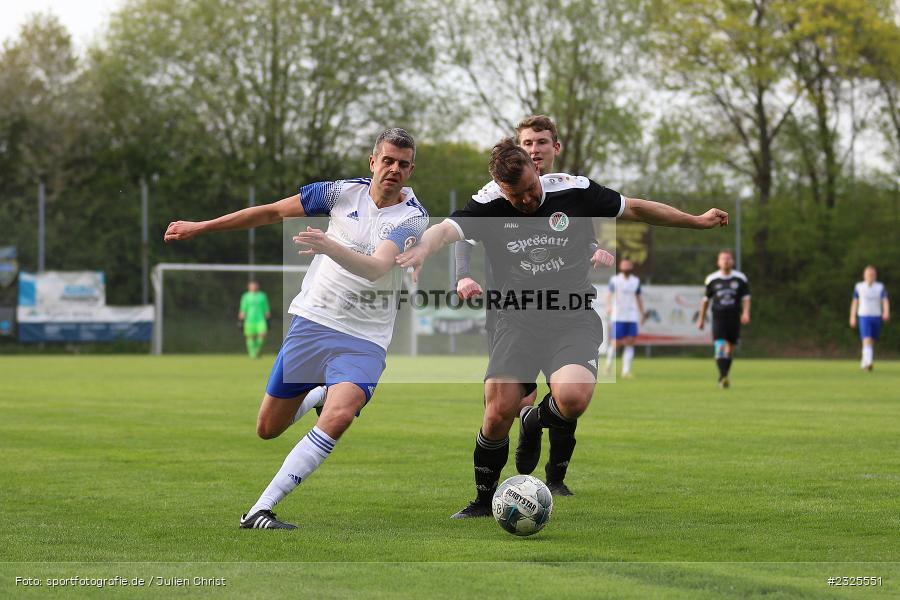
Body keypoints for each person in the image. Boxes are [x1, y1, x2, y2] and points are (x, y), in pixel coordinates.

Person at [397, 138, 727, 518]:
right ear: (502, 189)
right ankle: (483, 501)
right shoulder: (487, 204)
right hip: (516, 321)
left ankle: (535, 419)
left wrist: (695, 220)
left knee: (572, 398)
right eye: (515, 196)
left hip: (570, 318)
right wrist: (423, 248)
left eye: (530, 190)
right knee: (497, 411)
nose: (526, 201)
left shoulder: (572, 189)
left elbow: (634, 207)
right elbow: (447, 230)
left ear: (538, 171)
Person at [164, 128, 428, 529]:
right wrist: (202, 226)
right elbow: (272, 211)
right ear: (372, 161)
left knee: (340, 415)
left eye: (403, 164)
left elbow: (377, 269)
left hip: (364, 338)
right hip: (313, 321)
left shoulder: (413, 216)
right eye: (387, 160)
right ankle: (321, 391)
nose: (394, 169)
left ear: (410, 171)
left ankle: (260, 509)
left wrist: (330, 246)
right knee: (268, 429)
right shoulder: (339, 193)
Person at [454, 115, 612, 497]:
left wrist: (595, 251)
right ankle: (490, 492)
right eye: (527, 143)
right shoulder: (494, 196)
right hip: (511, 313)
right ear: (517, 150)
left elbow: (585, 239)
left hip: (567, 311)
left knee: (567, 394)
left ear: (555, 148)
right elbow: (462, 235)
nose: (534, 150)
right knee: (510, 402)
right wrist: (462, 275)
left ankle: (555, 477)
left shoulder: (571, 195)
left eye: (541, 142)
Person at [697, 250, 750, 388]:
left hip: (734, 317)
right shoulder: (712, 279)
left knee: (729, 348)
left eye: (728, 258)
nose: (726, 261)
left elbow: (746, 298)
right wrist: (701, 319)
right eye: (723, 259)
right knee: (719, 345)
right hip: (718, 317)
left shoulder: (740, 278)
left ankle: (724, 374)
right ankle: (723, 376)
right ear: (718, 262)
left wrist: (745, 313)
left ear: (732, 261)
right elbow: (705, 300)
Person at [604, 258, 645, 378]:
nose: (626, 266)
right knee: (615, 343)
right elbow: (608, 295)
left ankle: (625, 371)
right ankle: (608, 365)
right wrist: (608, 306)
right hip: (618, 315)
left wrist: (642, 312)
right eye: (624, 264)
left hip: (631, 316)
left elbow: (638, 297)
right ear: (620, 267)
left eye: (628, 264)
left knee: (630, 342)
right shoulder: (615, 280)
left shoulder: (635, 281)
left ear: (631, 267)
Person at [850, 265, 890, 371]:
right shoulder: (859, 287)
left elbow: (885, 300)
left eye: (872, 274)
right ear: (864, 275)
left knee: (871, 340)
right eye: (869, 274)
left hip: (876, 316)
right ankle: (868, 362)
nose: (871, 276)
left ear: (875, 275)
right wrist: (852, 316)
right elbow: (855, 302)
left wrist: (886, 312)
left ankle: (864, 362)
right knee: (866, 339)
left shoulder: (880, 287)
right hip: (864, 316)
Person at [239, 280, 271, 358]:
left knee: (262, 334)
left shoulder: (262, 295)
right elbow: (243, 307)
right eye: (252, 285)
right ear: (249, 287)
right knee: (250, 337)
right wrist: (242, 313)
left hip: (260, 319)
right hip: (249, 319)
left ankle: (257, 350)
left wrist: (267, 312)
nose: (253, 287)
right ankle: (252, 354)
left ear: (257, 286)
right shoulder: (246, 296)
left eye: (255, 285)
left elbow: (266, 306)